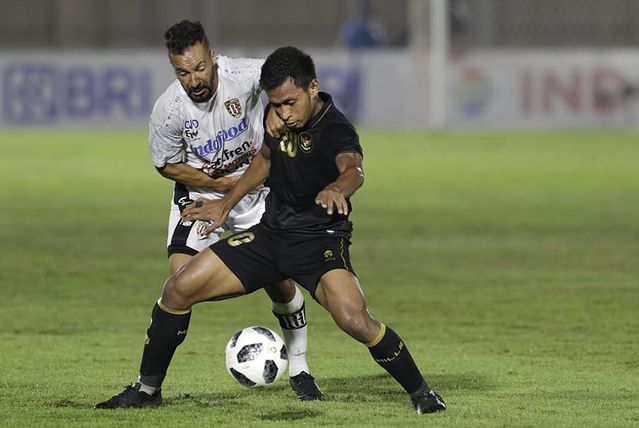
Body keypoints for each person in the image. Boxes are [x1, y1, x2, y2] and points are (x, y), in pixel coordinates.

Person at [98, 45, 446, 415]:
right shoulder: (277, 116)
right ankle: (147, 390)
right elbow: (264, 161)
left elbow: (353, 168)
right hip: (269, 236)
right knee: (178, 287)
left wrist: (338, 188)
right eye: (276, 104)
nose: (284, 112)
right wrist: (226, 203)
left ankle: (423, 394)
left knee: (354, 318)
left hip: (318, 243)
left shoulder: (336, 129)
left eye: (290, 102)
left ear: (313, 88)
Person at [95, 21, 322, 409]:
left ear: (212, 57)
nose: (194, 79)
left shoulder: (246, 75)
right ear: (173, 68)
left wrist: (272, 108)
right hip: (201, 197)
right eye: (183, 72)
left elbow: (289, 78)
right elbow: (166, 165)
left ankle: (299, 368)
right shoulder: (169, 109)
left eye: (200, 67)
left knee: (282, 282)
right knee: (179, 285)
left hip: (258, 193)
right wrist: (218, 188)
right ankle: (148, 389)